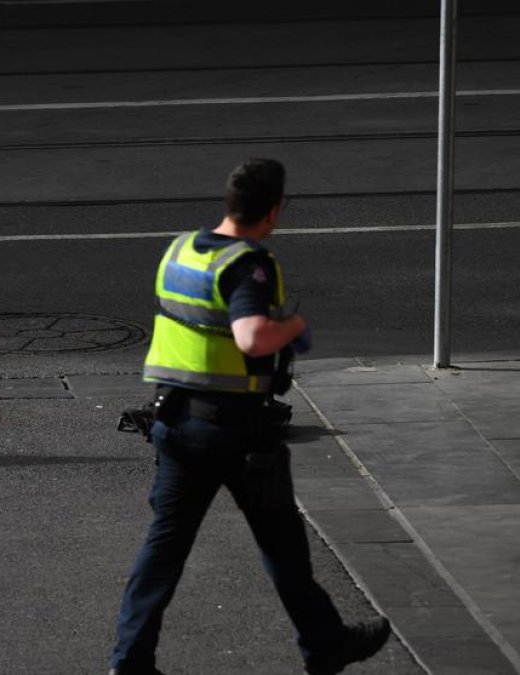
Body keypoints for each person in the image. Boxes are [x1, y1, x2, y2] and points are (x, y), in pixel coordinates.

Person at [106, 159, 391, 675]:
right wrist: (295, 326)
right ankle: (325, 645)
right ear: (274, 210)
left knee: (163, 550)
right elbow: (252, 337)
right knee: (282, 545)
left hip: (173, 419)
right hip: (236, 431)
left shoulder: (182, 249)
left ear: (229, 201)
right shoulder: (249, 265)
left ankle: (130, 662)